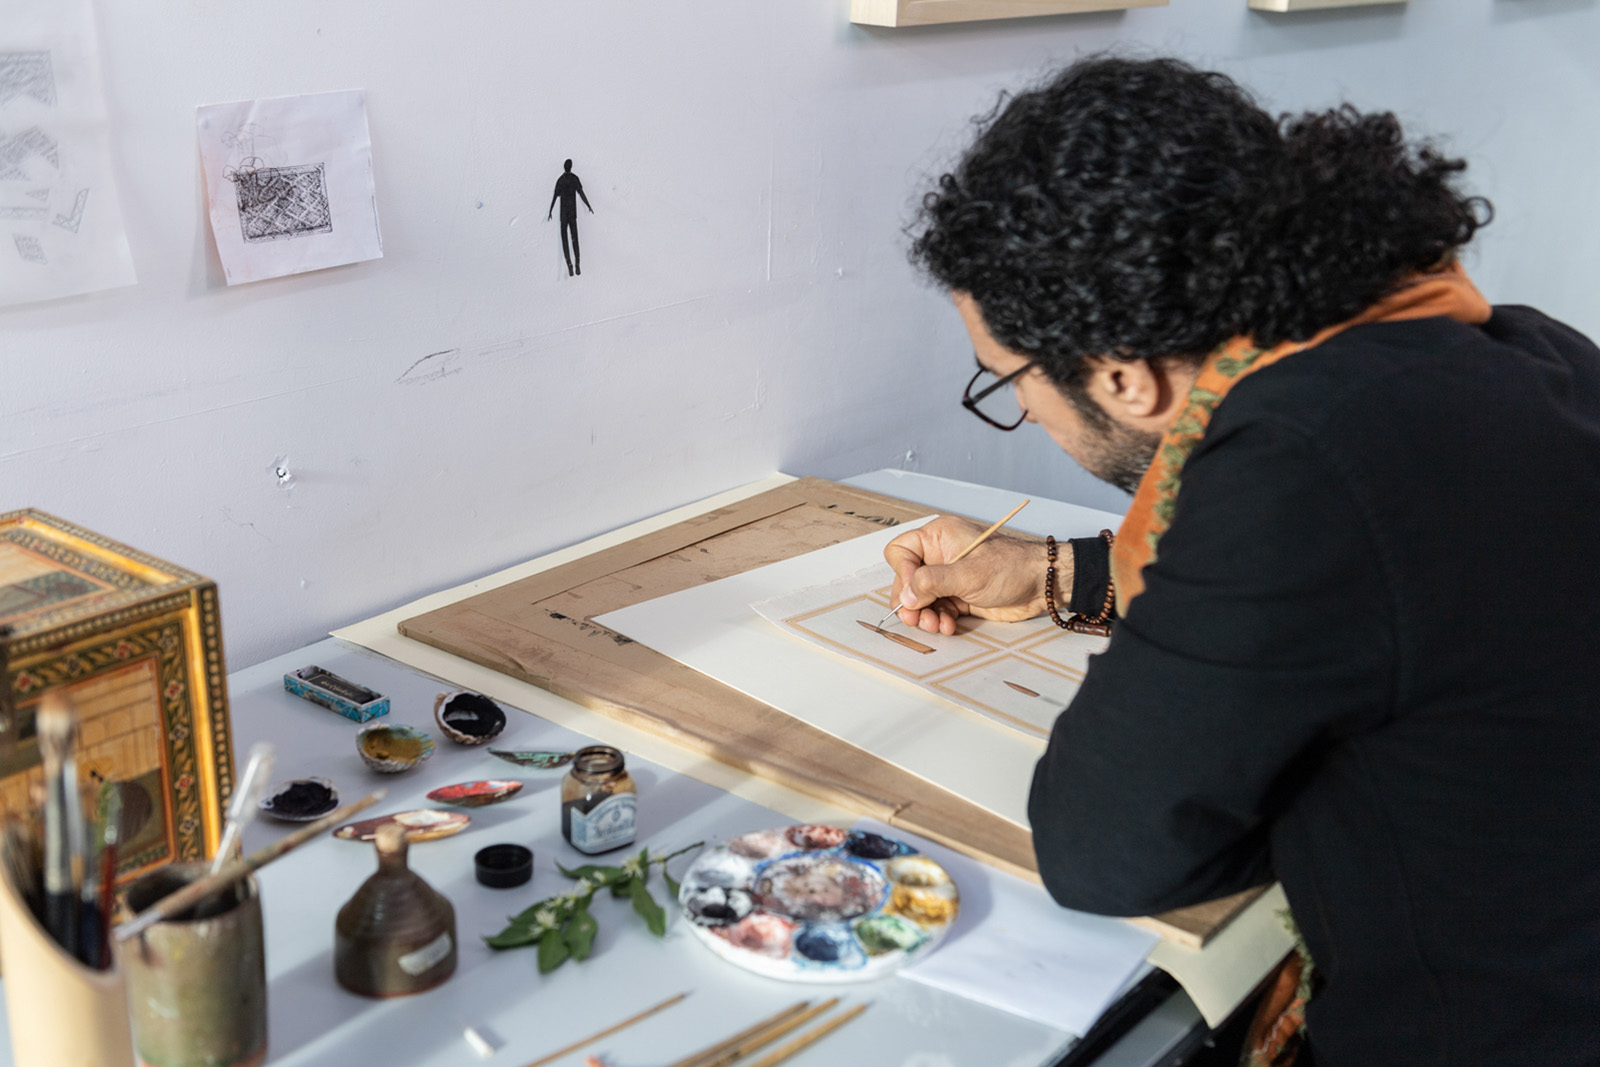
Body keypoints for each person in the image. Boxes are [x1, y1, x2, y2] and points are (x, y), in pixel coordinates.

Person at [886, 56, 1600, 1067]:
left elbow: (1103, 847)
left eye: (1008, 382)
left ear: (1123, 378)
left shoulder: (1300, 461)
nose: (1027, 414)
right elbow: (1387, 593)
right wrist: (1055, 572)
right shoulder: (1526, 353)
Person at [547, 159, 593, 276]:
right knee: (574, 238)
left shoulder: (561, 180)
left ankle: (570, 264)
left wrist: (550, 210)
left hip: (564, 214)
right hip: (572, 213)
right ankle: (577, 262)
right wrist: (588, 205)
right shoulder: (574, 179)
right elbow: (581, 193)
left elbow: (555, 196)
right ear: (571, 167)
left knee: (565, 239)